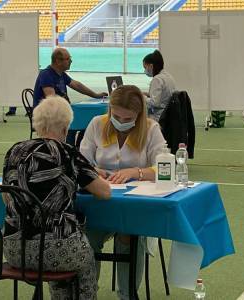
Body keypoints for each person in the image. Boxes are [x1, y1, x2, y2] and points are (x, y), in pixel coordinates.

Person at [2, 96, 111, 300]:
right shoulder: (66, 152)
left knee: (58, 243)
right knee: (83, 256)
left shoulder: (14, 151)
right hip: (57, 249)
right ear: (65, 126)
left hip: (15, 249)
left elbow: (6, 198)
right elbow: (104, 192)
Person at [79, 85, 166, 299]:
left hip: (136, 206)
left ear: (138, 115)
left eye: (128, 119)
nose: (121, 122)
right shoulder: (97, 124)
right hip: (99, 204)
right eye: (116, 115)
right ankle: (87, 293)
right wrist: (93, 170)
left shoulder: (151, 129)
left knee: (128, 235)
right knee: (85, 237)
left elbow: (165, 169)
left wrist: (136, 172)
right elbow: (80, 161)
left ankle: (127, 294)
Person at [33, 47, 108, 145]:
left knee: (83, 123)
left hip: (58, 111)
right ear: (58, 61)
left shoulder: (61, 74)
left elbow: (76, 85)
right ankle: (69, 147)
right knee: (78, 123)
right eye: (68, 59)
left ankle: (75, 146)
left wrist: (95, 95)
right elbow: (52, 99)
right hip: (48, 116)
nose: (71, 61)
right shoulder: (46, 74)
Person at [143, 50, 176, 122]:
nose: (144, 71)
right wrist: (148, 94)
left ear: (151, 66)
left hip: (159, 117)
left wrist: (143, 97)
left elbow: (154, 103)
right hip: (169, 115)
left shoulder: (157, 79)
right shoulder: (168, 76)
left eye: (145, 67)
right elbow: (164, 95)